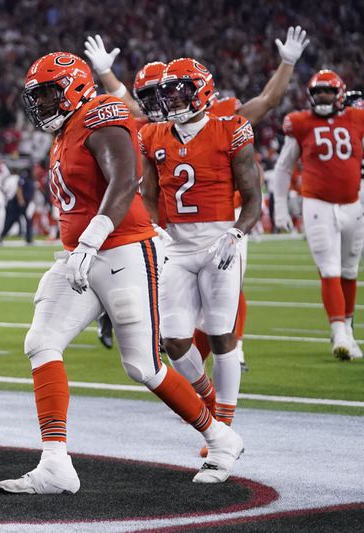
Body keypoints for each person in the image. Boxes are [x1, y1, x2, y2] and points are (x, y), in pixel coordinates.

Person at [0, 53, 244, 495]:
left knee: (143, 366)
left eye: (50, 92)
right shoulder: (66, 131)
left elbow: (125, 178)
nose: (44, 103)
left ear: (74, 87)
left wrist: (91, 240)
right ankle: (55, 463)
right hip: (80, 256)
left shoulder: (99, 114)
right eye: (39, 95)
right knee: (41, 342)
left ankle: (220, 437)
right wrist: (82, 246)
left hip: (124, 249)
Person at [86, 26, 309, 373]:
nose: (161, 102)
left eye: (170, 93)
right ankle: (191, 365)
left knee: (222, 297)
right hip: (175, 224)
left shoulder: (222, 118)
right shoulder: (156, 127)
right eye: (157, 95)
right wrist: (105, 75)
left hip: (226, 216)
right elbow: (131, 107)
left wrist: (287, 64)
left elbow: (266, 102)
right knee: (174, 298)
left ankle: (230, 350)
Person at [139, 58, 261, 462]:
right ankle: (207, 399)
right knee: (174, 341)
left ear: (203, 91)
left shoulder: (231, 129)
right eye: (167, 91)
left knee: (223, 334)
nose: (171, 99)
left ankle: (222, 425)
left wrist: (238, 231)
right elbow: (151, 193)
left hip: (219, 240)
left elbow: (253, 196)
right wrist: (154, 228)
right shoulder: (153, 134)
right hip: (175, 243)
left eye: (179, 91)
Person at [273, 70, 364, 360]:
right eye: (318, 92)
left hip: (353, 203)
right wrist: (280, 207)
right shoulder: (300, 123)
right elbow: (284, 167)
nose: (322, 96)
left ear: (339, 94)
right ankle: (338, 332)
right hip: (318, 204)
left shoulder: (356, 118)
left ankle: (348, 330)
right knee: (329, 268)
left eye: (328, 91)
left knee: (350, 272)